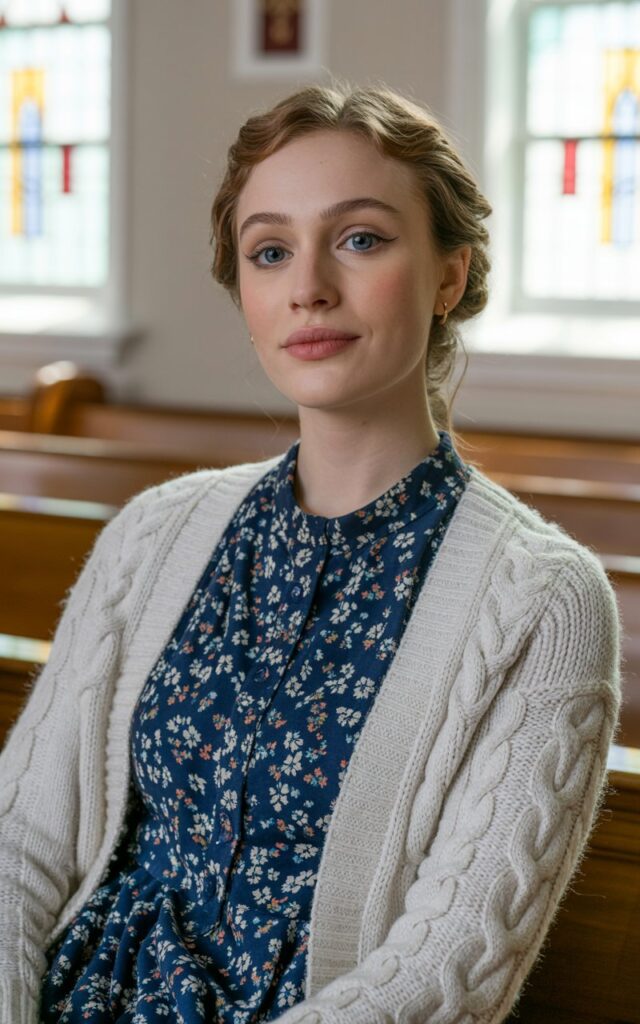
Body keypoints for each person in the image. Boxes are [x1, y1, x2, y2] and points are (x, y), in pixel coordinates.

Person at [0, 78, 621, 1024]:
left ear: (449, 274)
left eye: (361, 238)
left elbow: (444, 974)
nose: (308, 288)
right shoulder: (153, 533)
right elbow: (21, 847)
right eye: (271, 250)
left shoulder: (545, 602)